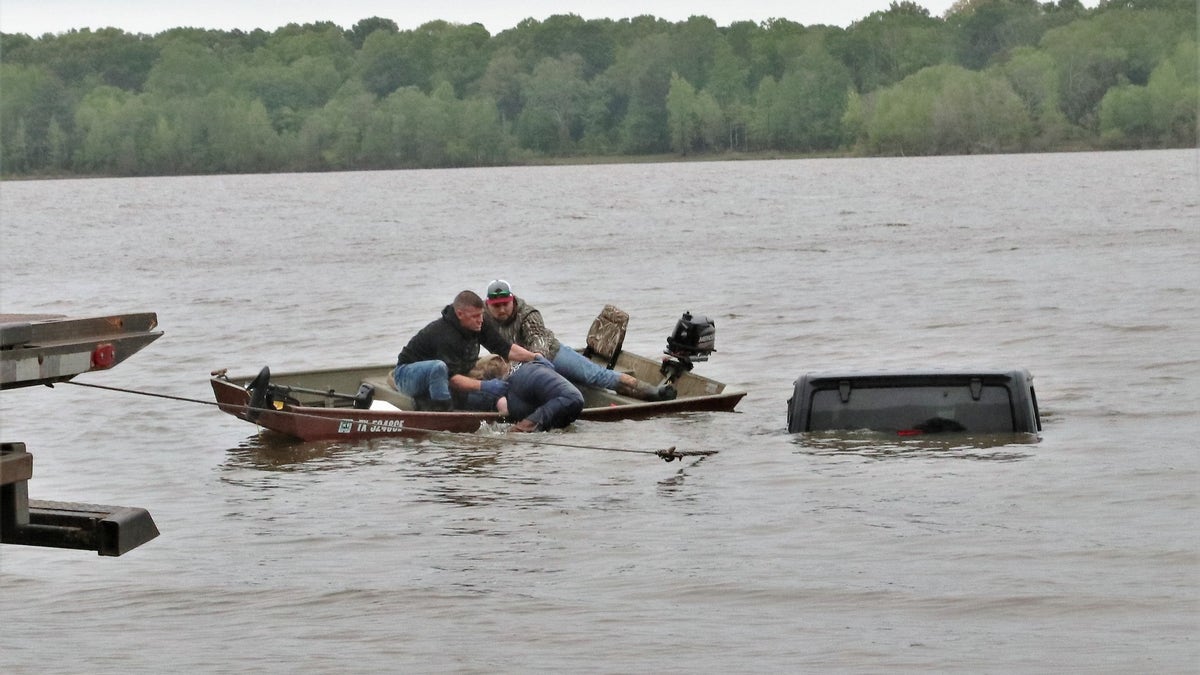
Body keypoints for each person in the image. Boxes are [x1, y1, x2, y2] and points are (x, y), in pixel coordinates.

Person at [482, 280, 675, 401]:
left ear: (512, 300)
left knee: (595, 376)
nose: (501, 310)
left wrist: (528, 366)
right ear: (487, 304)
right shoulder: (480, 316)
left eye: (504, 304)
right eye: (495, 306)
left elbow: (539, 346)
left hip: (550, 354)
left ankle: (652, 391)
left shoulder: (528, 315)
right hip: (514, 364)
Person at [394, 290, 538, 411]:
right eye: (475, 316)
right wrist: (485, 386)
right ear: (460, 314)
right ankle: (441, 410)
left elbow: (505, 348)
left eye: (482, 314)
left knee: (496, 366)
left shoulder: (479, 323)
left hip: (452, 373)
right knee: (438, 369)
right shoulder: (444, 335)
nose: (480, 320)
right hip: (408, 375)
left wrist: (535, 357)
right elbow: (452, 379)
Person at [471, 355, 584, 432]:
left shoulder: (508, 387)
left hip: (567, 399)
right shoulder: (531, 366)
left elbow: (504, 408)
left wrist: (520, 427)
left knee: (513, 432)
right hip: (570, 399)